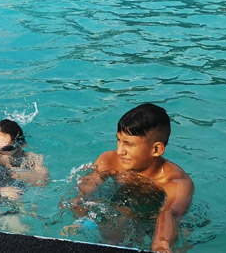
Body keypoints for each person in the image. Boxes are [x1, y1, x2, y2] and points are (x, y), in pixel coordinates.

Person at [70, 104, 193, 253]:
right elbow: (86, 190)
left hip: (152, 217)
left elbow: (168, 214)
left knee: (183, 239)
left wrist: (161, 244)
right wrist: (82, 214)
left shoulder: (176, 182)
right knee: (115, 228)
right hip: (119, 205)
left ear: (156, 149)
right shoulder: (109, 161)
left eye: (128, 144)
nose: (120, 151)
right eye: (119, 140)